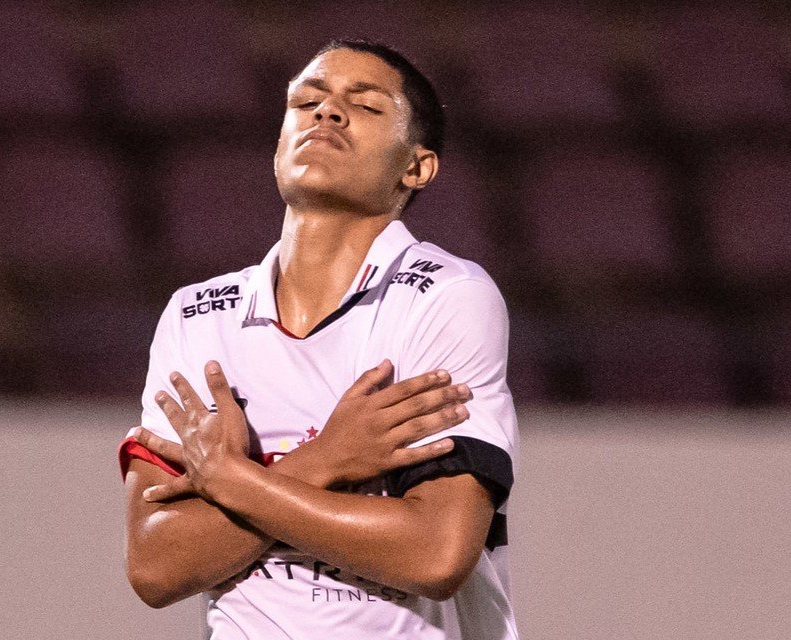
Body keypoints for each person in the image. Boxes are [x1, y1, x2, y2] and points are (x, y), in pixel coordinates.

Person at [119, 38, 519, 639]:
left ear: (416, 166)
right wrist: (326, 459)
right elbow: (155, 567)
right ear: (279, 142)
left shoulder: (446, 297)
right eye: (307, 101)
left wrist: (231, 482)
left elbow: (436, 555)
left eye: (366, 105)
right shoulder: (196, 316)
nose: (326, 112)